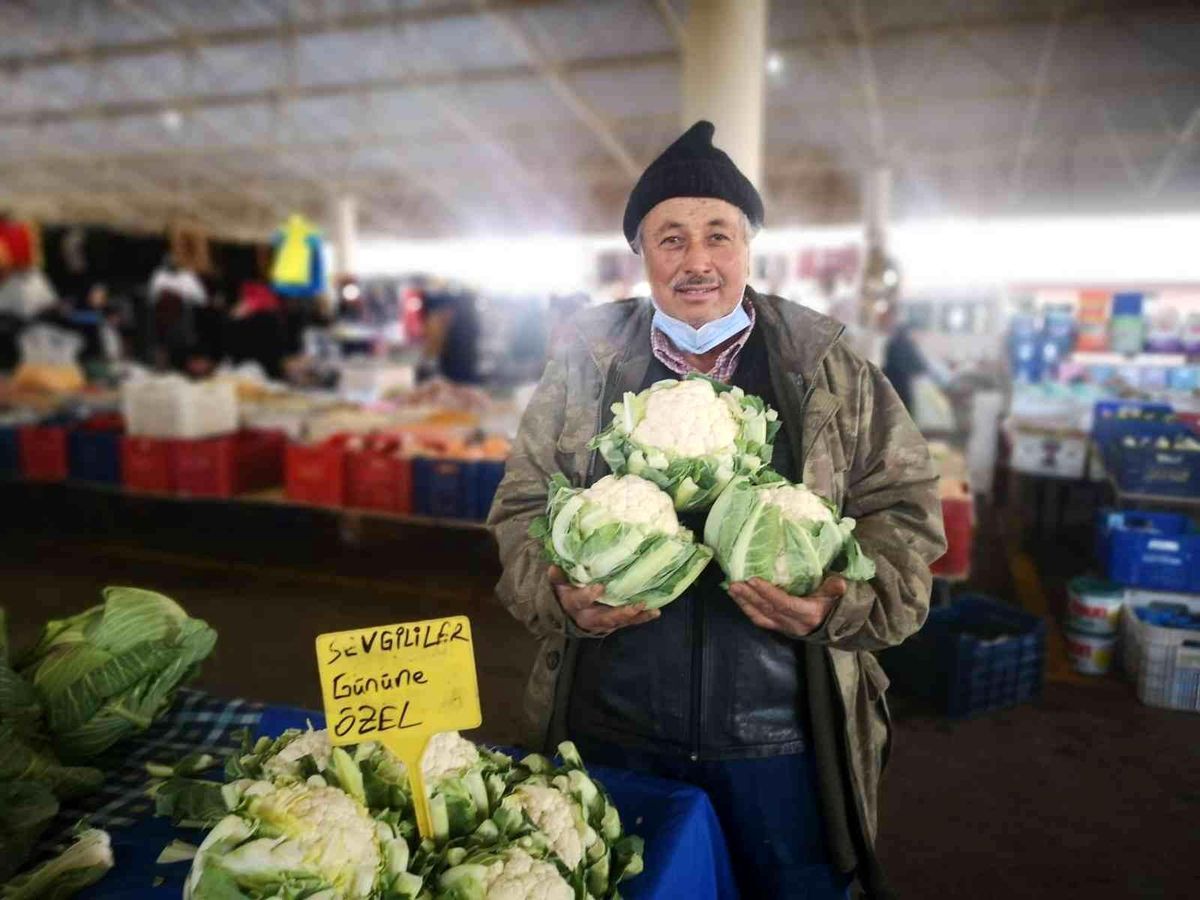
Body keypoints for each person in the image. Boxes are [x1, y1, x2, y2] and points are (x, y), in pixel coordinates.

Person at [488, 121, 946, 899]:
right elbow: (521, 505)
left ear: (748, 245)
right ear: (641, 255)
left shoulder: (829, 368)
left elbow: (904, 511)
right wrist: (556, 596)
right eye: (670, 238)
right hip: (612, 726)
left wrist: (842, 601)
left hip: (785, 738)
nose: (696, 261)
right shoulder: (584, 368)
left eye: (717, 235)